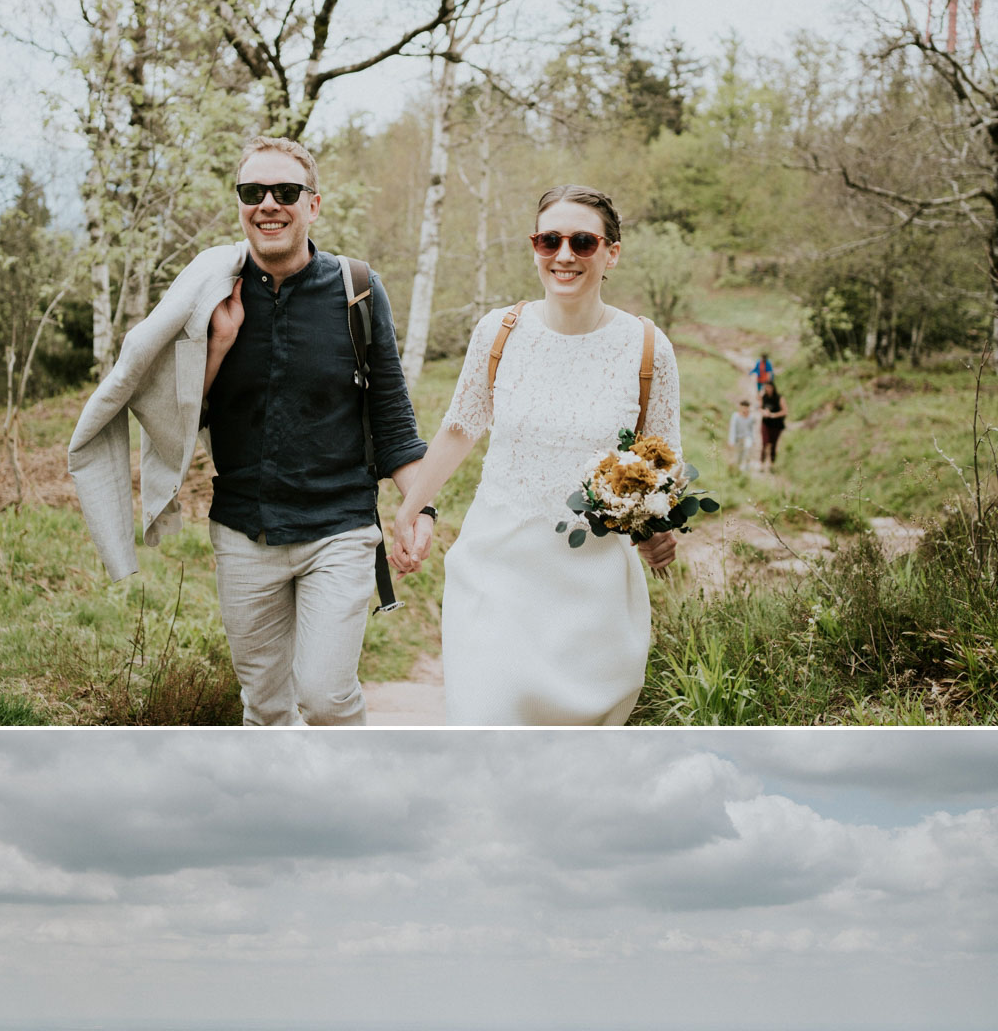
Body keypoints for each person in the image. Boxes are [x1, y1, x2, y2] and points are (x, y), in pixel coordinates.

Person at [67, 136, 431, 725]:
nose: (268, 204)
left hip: (338, 530)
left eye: (285, 192)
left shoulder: (357, 289)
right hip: (242, 534)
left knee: (325, 695)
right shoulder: (206, 296)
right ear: (238, 204)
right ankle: (279, 810)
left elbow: (393, 420)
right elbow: (176, 420)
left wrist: (422, 510)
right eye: (252, 192)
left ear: (313, 205)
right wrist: (217, 345)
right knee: (264, 708)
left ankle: (354, 802)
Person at [390, 185, 681, 726]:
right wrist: (411, 509)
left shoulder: (647, 347)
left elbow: (664, 463)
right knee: (485, 724)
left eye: (582, 242)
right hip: (495, 574)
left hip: (592, 594)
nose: (564, 255)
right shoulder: (499, 331)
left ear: (611, 252)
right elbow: (459, 428)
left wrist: (654, 526)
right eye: (549, 240)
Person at [759, 378, 787, 468]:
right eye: (766, 387)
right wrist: (764, 412)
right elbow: (760, 407)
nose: (768, 389)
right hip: (766, 423)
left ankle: (772, 463)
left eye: (769, 387)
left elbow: (785, 411)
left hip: (776, 424)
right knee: (765, 443)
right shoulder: (764, 397)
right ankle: (762, 463)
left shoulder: (779, 398)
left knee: (773, 444)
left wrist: (773, 415)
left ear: (773, 388)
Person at [728, 396, 756, 473]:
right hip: (738, 439)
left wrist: (753, 439)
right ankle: (736, 470)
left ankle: (746, 469)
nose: (744, 410)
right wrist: (731, 441)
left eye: (746, 408)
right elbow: (732, 429)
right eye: (743, 408)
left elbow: (752, 429)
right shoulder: (735, 416)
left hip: (747, 438)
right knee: (738, 456)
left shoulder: (750, 417)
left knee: (747, 452)